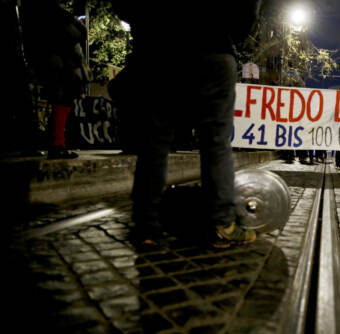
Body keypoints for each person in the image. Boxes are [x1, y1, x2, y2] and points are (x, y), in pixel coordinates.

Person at [110, 1, 261, 247]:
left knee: (155, 142)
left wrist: (147, 25)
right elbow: (246, 15)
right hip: (213, 48)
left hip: (159, 49)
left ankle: (146, 225)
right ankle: (222, 222)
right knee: (215, 143)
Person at [20, 0, 89, 159]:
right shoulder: (51, 12)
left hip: (45, 58)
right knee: (62, 99)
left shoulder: (31, 11)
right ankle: (57, 143)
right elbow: (76, 32)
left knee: (58, 100)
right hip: (57, 62)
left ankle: (55, 142)